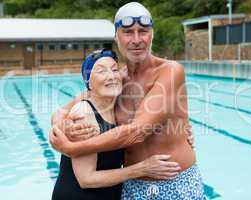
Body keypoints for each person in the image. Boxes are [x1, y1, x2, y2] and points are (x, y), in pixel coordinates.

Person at [50, 2, 204, 199]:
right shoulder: (116, 81)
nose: (137, 39)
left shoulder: (170, 71)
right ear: (117, 37)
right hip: (133, 186)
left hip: (177, 184)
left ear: (152, 35)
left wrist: (71, 148)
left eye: (143, 31)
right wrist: (60, 128)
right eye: (128, 32)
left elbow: (138, 132)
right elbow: (62, 111)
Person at [52, 49, 182, 200]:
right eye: (101, 71)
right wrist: (143, 169)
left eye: (114, 70)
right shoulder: (84, 114)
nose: (111, 76)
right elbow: (86, 179)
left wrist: (183, 130)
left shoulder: (116, 106)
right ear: (89, 83)